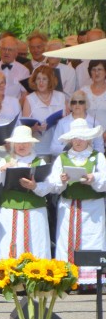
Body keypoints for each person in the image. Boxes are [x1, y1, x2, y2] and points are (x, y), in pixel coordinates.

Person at [49, 119, 106, 286]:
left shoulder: (98, 157)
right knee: (66, 239)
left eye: (81, 138)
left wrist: (93, 178)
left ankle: (90, 281)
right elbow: (53, 183)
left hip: (92, 207)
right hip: (69, 204)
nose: (78, 141)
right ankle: (67, 278)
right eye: (75, 138)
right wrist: (62, 180)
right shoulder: (62, 158)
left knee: (92, 239)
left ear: (88, 138)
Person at [0, 126, 53, 259]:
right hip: (10, 210)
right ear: (13, 144)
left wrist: (35, 186)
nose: (22, 146)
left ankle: (37, 276)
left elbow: (49, 186)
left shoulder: (40, 162)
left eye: (25, 143)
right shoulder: (6, 161)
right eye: (19, 143)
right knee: (12, 242)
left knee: (36, 242)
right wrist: (2, 169)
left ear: (31, 144)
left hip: (35, 210)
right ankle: (11, 276)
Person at [22, 65, 67, 157]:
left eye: (44, 79)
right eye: (38, 79)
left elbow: (67, 120)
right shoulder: (29, 99)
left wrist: (61, 120)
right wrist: (35, 128)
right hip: (38, 148)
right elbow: (24, 128)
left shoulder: (60, 96)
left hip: (58, 146)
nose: (41, 82)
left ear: (50, 81)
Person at [52, 91, 104, 155]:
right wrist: (71, 147)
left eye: (81, 102)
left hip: (89, 160)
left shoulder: (95, 123)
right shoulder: (62, 123)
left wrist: (88, 152)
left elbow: (100, 148)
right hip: (68, 159)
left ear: (86, 105)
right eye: (74, 102)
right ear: (70, 105)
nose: (77, 105)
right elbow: (53, 148)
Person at [0, 36, 29, 100]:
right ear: (0, 50)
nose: (6, 52)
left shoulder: (24, 71)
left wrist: (17, 109)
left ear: (16, 52)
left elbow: (24, 94)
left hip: (15, 108)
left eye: (10, 50)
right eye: (4, 49)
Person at [81, 60, 106, 129]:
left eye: (99, 69)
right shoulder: (83, 91)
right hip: (87, 134)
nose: (96, 73)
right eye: (93, 70)